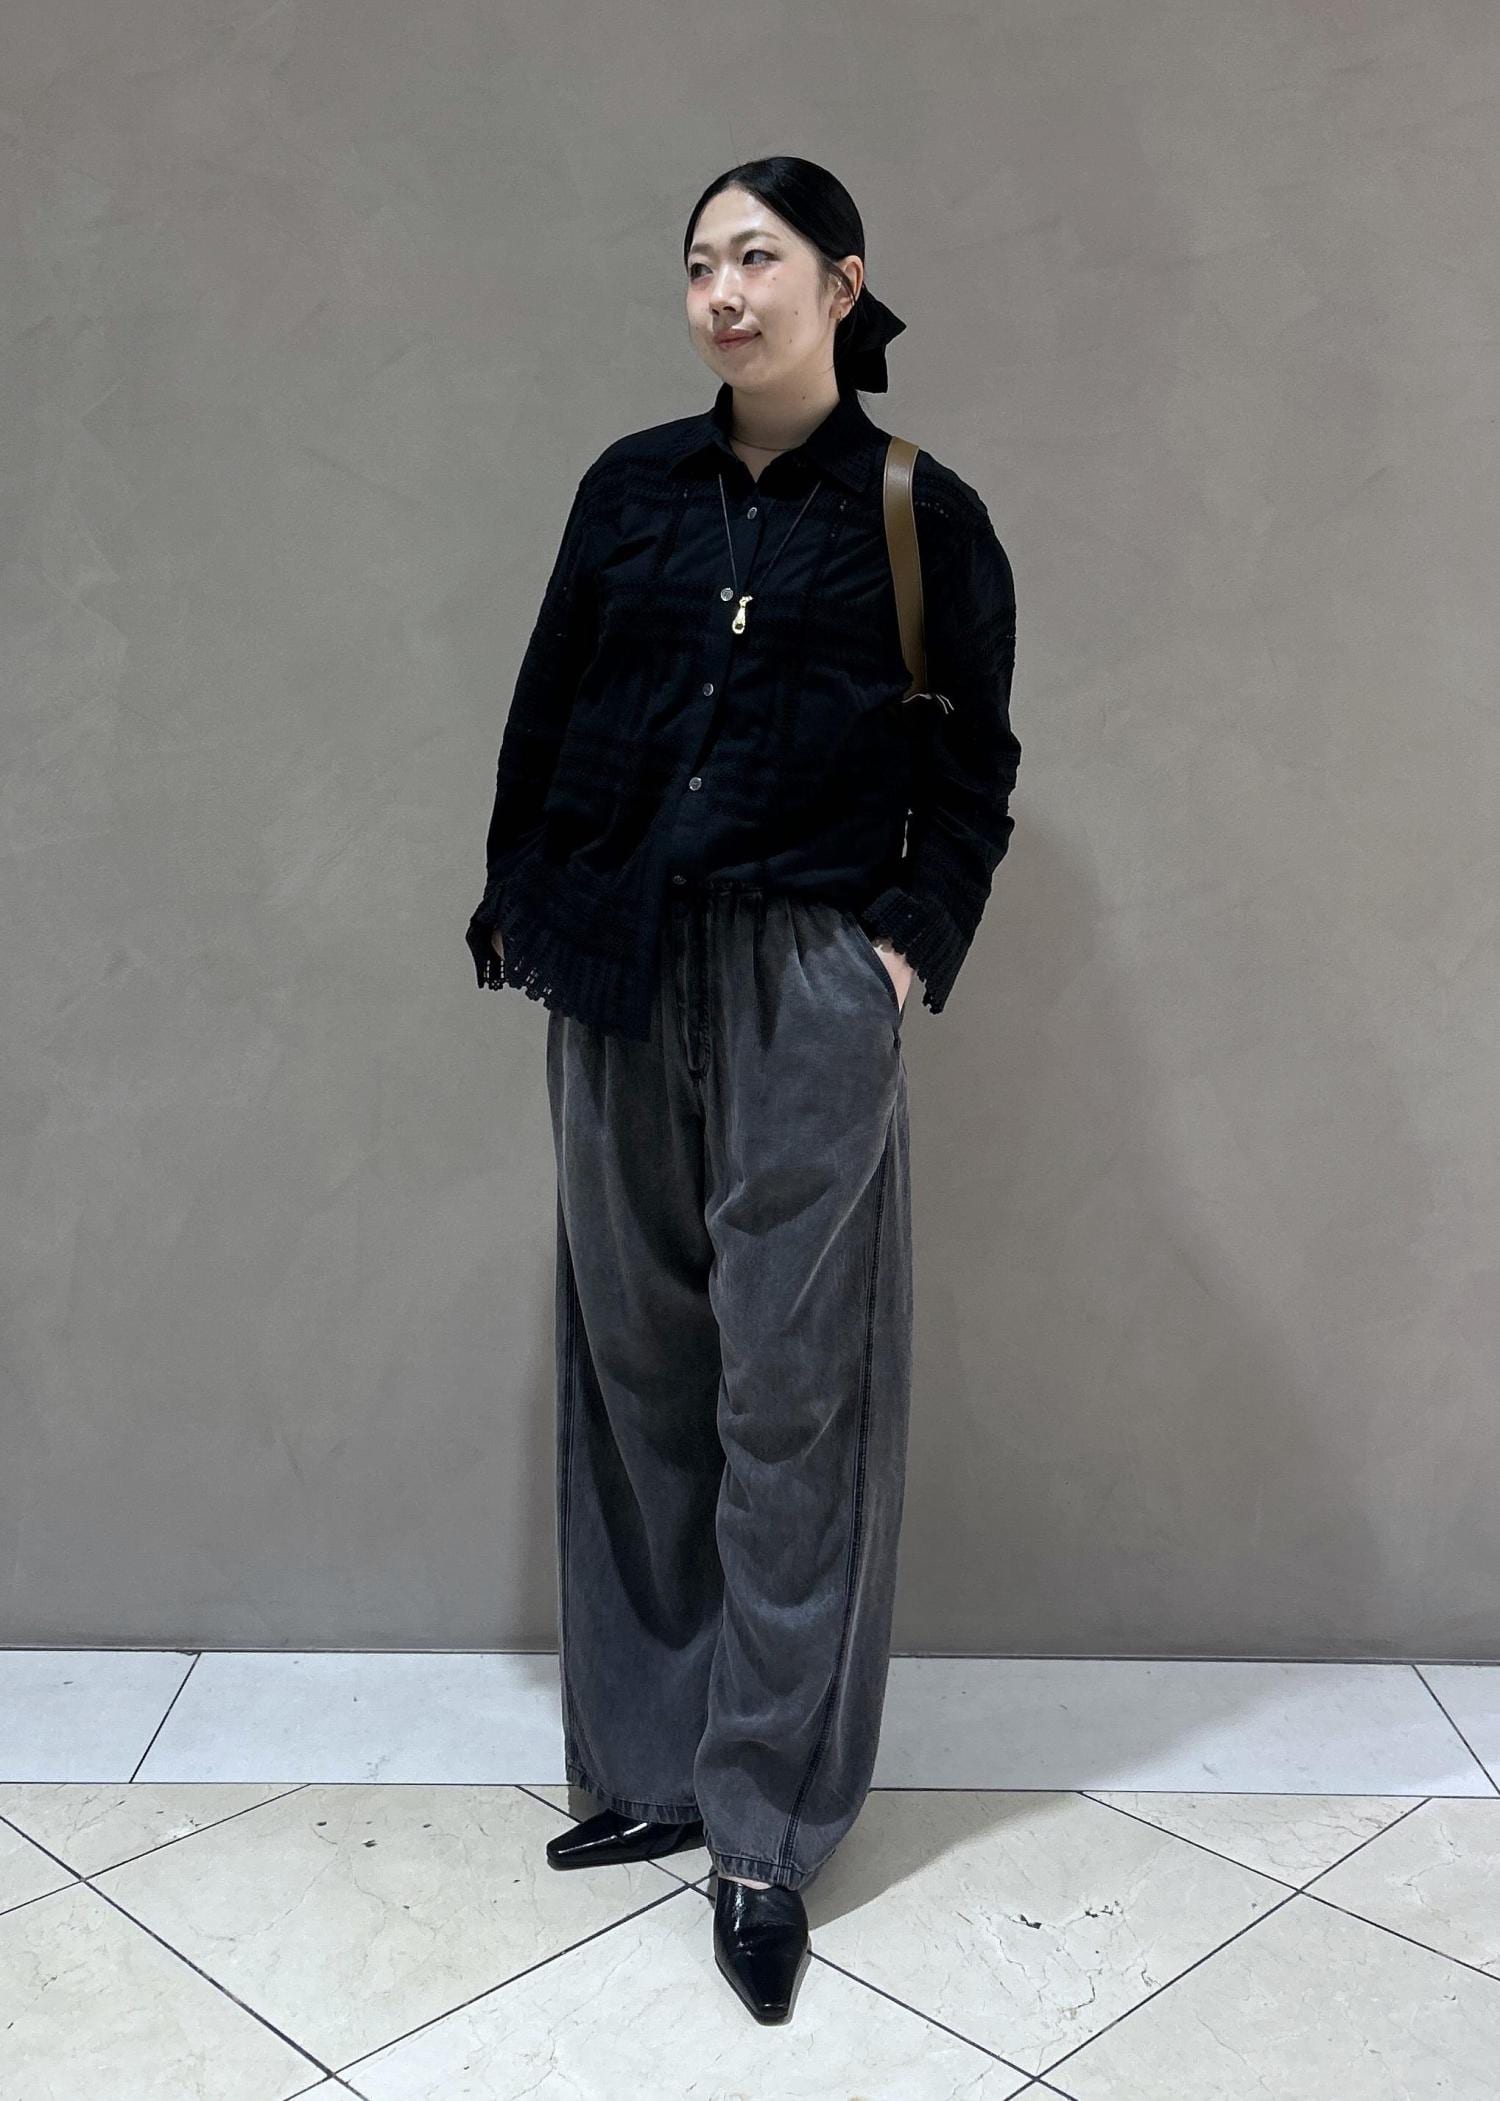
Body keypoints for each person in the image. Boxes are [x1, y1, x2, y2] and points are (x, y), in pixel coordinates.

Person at [466, 156, 1020, 2025]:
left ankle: (765, 1825)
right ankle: (651, 1766)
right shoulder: (629, 489)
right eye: (700, 260)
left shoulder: (921, 517)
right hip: (619, 965)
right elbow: (546, 711)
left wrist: (895, 957)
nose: (722, 289)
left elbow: (973, 773)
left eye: (757, 256)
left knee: (795, 1397)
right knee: (638, 1374)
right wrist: (529, 902)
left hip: (805, 978)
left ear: (843, 283)